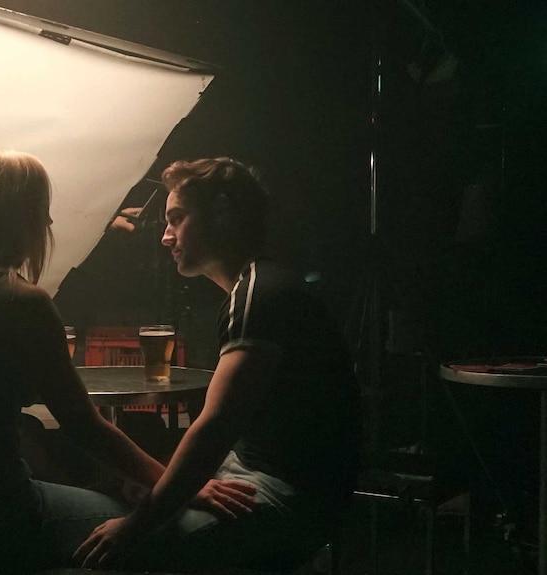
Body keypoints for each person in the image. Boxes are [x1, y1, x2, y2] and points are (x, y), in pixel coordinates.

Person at [0, 149, 255, 574]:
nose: (48, 224)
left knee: (109, 492)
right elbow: (85, 426)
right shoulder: (20, 300)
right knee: (159, 526)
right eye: (41, 211)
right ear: (21, 217)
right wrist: (182, 488)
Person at [75, 157, 361, 572]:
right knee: (128, 495)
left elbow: (214, 428)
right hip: (250, 468)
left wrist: (136, 526)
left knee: (124, 550)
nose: (166, 237)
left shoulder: (259, 296)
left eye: (177, 219)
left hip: (290, 493)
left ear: (222, 213)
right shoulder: (257, 284)